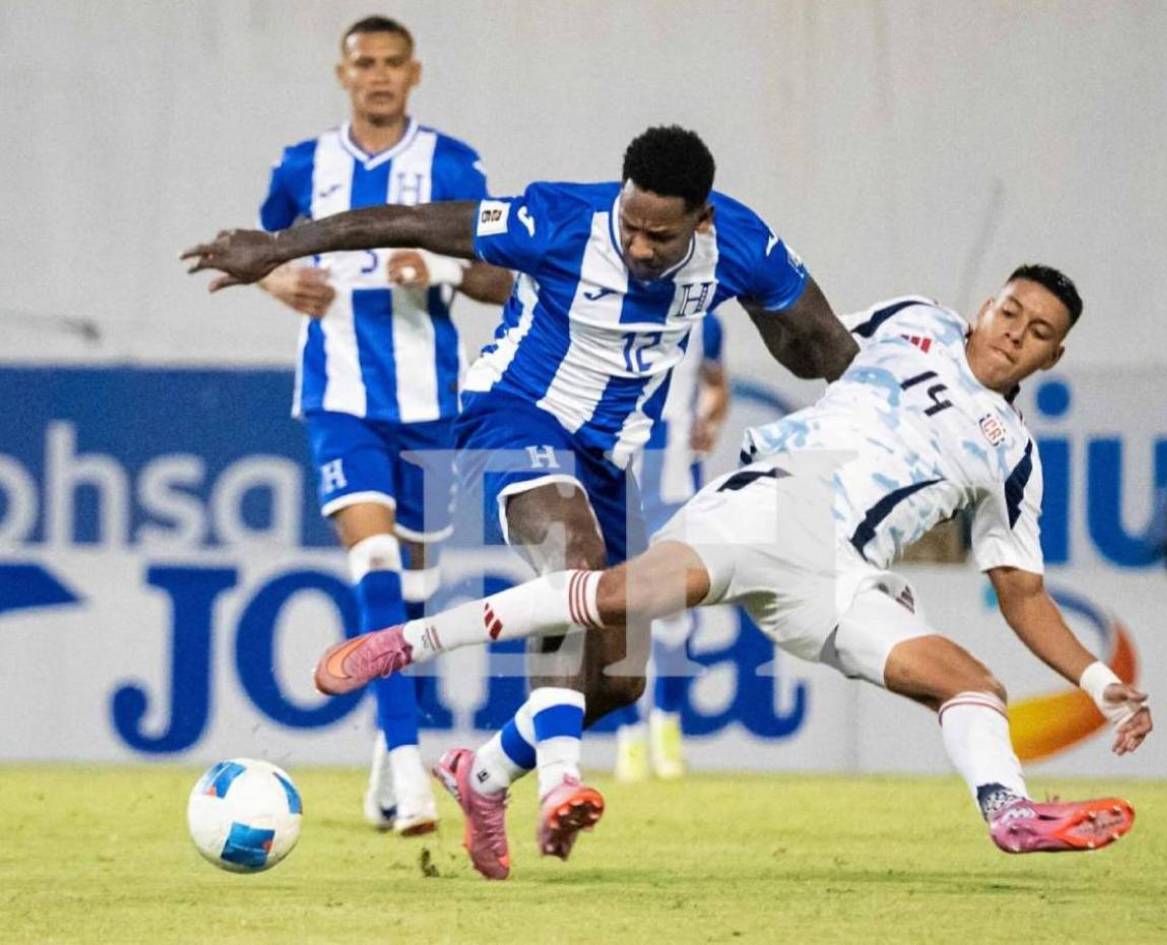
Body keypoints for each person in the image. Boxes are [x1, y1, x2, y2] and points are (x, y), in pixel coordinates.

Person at [183, 125, 855, 878]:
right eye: (629, 225)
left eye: (657, 237)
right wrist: (279, 246)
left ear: (701, 220)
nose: (636, 246)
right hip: (512, 414)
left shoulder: (743, 245)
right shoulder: (559, 220)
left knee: (621, 679)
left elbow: (825, 342)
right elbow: (407, 219)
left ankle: (487, 773)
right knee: (573, 555)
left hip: (607, 458)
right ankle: (562, 780)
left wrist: (881, 427)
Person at [313, 266, 1155, 860]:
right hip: (778, 498)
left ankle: (1008, 813)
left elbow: (1021, 589)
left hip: (844, 575)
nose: (1016, 332)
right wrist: (751, 289)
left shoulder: (1015, 455)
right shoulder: (914, 318)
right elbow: (811, 336)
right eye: (1011, 310)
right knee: (612, 604)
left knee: (971, 683)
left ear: (1053, 358)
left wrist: (1093, 680)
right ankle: (408, 642)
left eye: (1039, 332)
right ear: (986, 303)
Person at [254, 15, 513, 836]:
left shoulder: (451, 164)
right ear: (343, 74)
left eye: (392, 63)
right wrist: (275, 284)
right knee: (373, 563)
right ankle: (410, 771)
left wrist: (436, 265)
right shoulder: (302, 167)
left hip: (431, 404)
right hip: (338, 399)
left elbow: (506, 279)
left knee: (414, 595)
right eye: (364, 63)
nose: (377, 76)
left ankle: (380, 771)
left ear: (414, 73)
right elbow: (264, 249)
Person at [613, 311, 729, 781]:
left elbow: (717, 385)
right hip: (618, 474)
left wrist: (709, 420)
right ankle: (628, 737)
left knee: (676, 608)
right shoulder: (611, 306)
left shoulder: (707, 322)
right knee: (619, 607)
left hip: (677, 479)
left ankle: (666, 724)